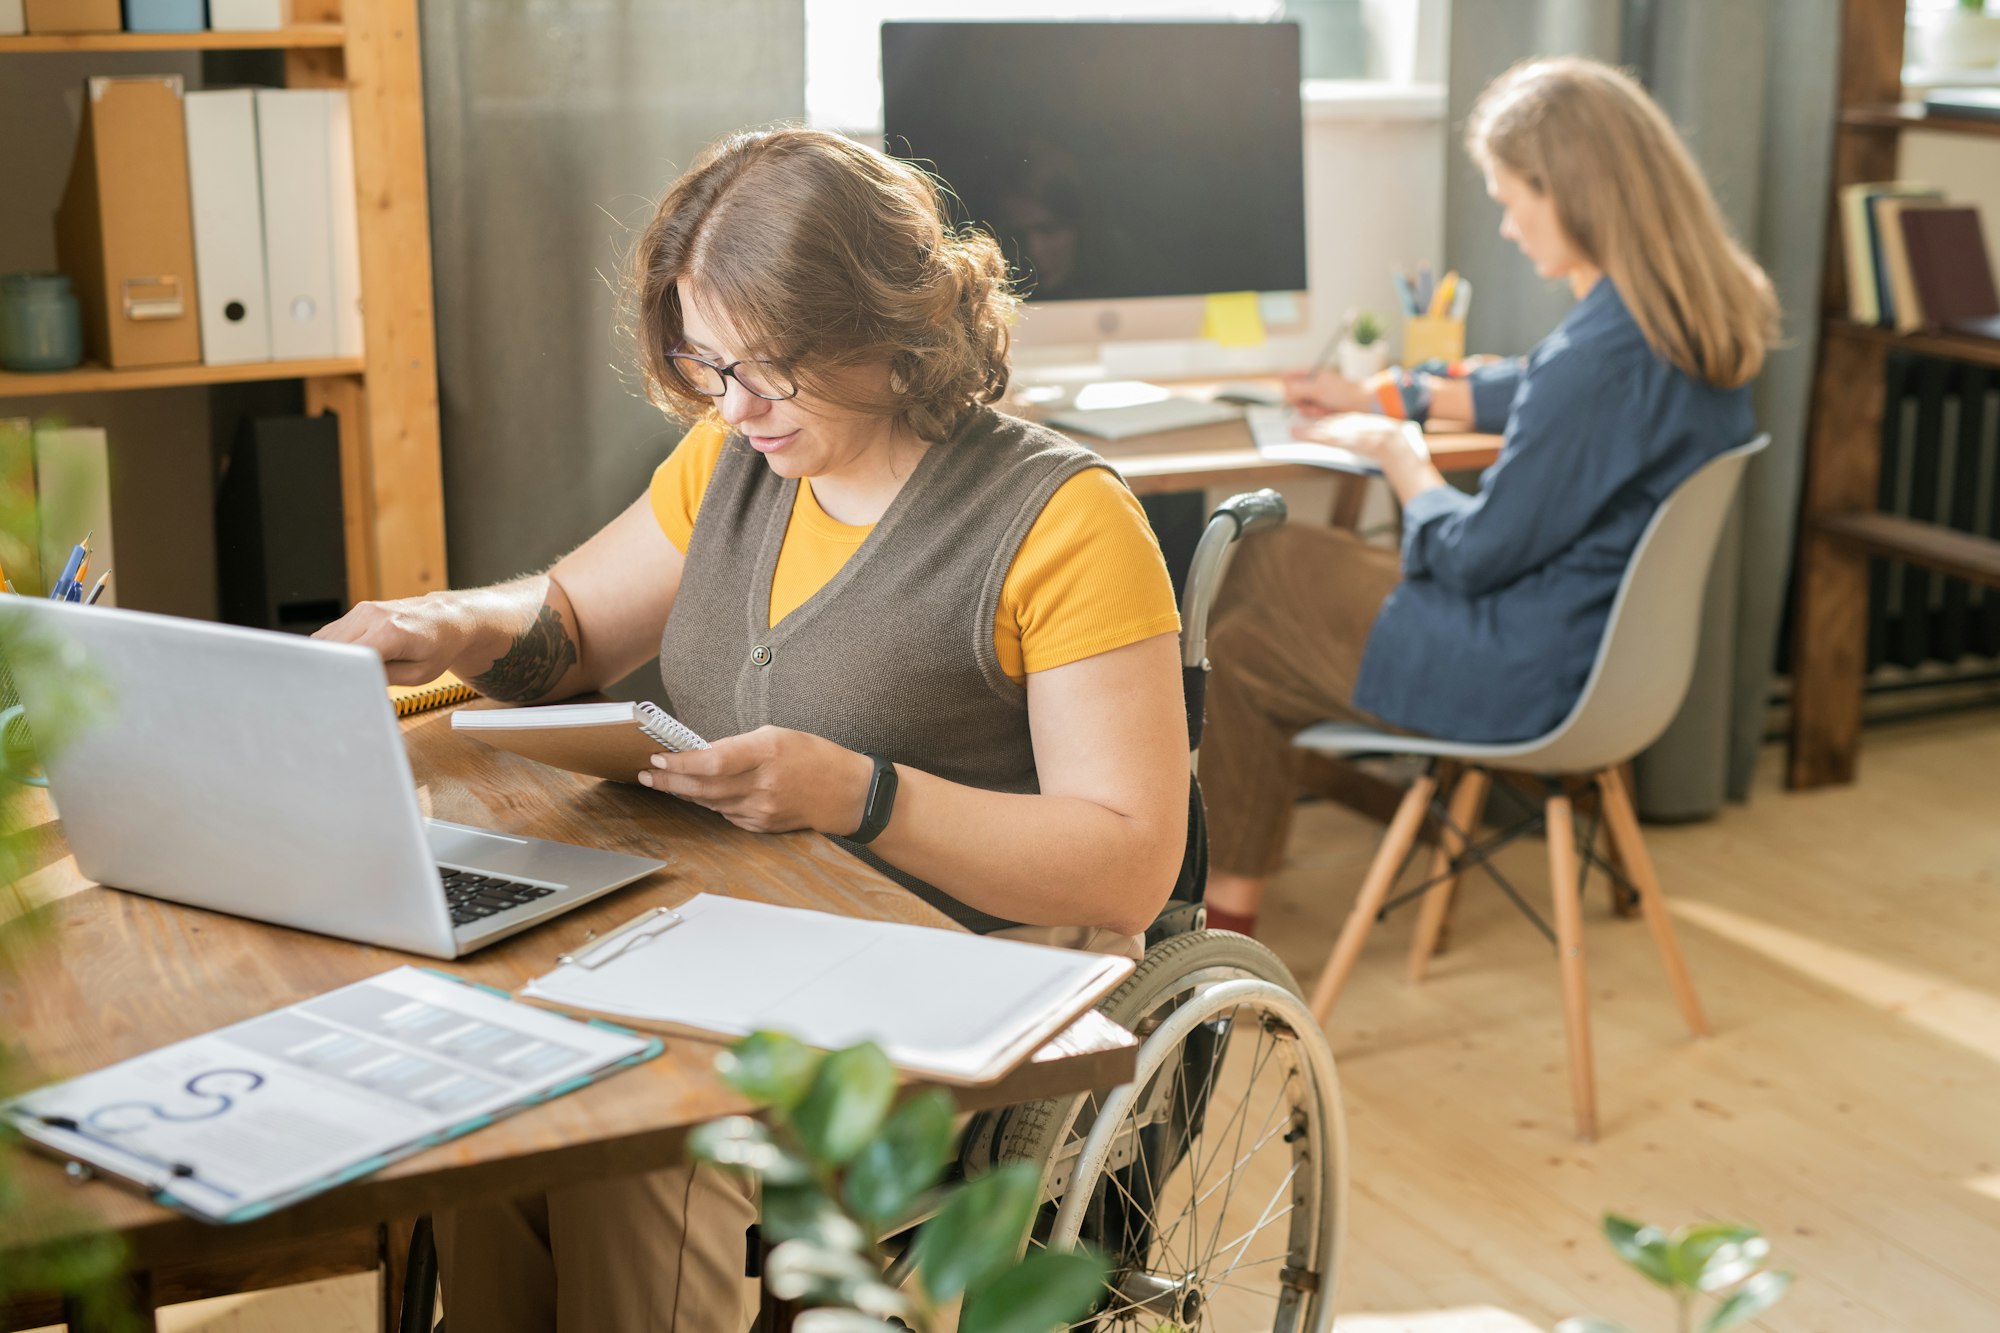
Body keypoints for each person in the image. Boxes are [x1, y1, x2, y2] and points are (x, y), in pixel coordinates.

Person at [314, 127, 1189, 1331]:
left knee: (639, 1141)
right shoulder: (730, 459)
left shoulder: (1061, 519)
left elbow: (1128, 860)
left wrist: (863, 796)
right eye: (707, 365)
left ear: (893, 321)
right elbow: (568, 625)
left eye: (766, 368)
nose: (736, 406)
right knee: (511, 1104)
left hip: (959, 967)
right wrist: (454, 623)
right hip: (722, 939)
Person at [1199, 55, 1779, 937]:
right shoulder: (1691, 314)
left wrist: (1399, 452)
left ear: (1574, 190)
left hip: (1522, 666)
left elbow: (1472, 555)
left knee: (1261, 564)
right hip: (1603, 660)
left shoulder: (1596, 359)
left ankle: (1210, 929)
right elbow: (1537, 388)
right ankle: (1223, 924)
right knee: (1245, 643)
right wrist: (1394, 394)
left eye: (1513, 201)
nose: (1506, 228)